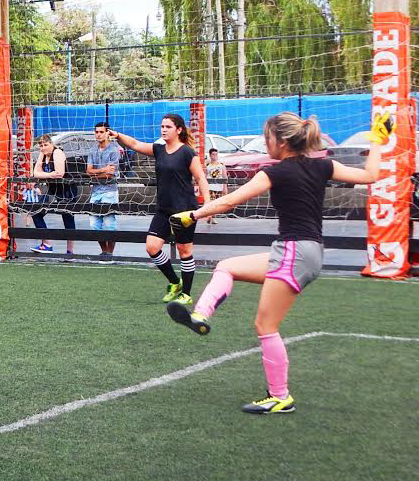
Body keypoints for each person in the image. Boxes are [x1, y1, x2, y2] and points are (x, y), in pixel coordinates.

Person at [165, 112, 385, 414]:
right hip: (300, 251)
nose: (265, 142)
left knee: (265, 325)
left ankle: (280, 396)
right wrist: (380, 140)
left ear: (281, 141)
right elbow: (370, 175)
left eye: (266, 136)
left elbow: (230, 201)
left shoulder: (276, 172)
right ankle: (200, 316)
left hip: (294, 251)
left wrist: (192, 215)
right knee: (227, 267)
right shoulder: (323, 165)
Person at [110, 114, 211, 303]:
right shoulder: (158, 149)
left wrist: (208, 205)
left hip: (184, 210)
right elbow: (135, 144)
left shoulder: (188, 152)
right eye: (162, 126)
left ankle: (187, 295)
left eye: (168, 127)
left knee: (184, 250)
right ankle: (175, 282)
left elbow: (201, 179)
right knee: (152, 247)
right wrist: (117, 135)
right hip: (164, 209)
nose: (163, 129)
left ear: (179, 130)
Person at [28, 134, 78, 256]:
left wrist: (44, 174)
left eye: (46, 144)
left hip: (67, 189)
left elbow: (60, 173)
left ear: (51, 144)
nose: (43, 147)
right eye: (41, 145)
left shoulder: (57, 153)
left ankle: (70, 252)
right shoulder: (42, 154)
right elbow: (36, 173)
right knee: (36, 210)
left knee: (68, 219)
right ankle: (46, 243)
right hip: (53, 190)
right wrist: (49, 175)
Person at [85, 122, 120, 261]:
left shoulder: (114, 150)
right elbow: (88, 171)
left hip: (110, 190)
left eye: (101, 132)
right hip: (96, 190)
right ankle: (104, 251)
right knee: (94, 224)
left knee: (109, 223)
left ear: (107, 133)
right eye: (96, 132)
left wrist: (96, 173)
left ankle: (109, 253)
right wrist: (102, 170)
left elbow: (111, 174)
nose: (98, 134)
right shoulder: (93, 150)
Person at [204, 148, 228, 225]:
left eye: (216, 154)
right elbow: (205, 176)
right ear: (210, 156)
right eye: (213, 154)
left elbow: (224, 177)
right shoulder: (207, 165)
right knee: (211, 201)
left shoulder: (221, 165)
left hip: (218, 186)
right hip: (210, 186)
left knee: (216, 203)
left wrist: (225, 187)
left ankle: (213, 217)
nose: (215, 156)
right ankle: (210, 216)